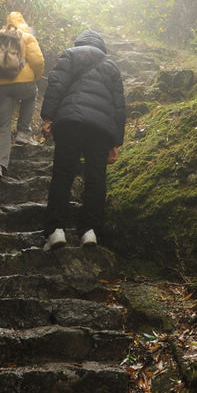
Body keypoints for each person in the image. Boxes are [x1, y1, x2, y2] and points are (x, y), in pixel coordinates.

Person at [40, 29, 125, 250]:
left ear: (79, 42)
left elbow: (56, 85)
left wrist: (49, 118)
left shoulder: (70, 54)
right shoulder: (111, 65)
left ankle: (56, 230)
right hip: (100, 129)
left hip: (70, 121)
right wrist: (116, 141)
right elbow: (118, 106)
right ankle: (89, 231)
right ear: (101, 46)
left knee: (62, 174)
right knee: (96, 178)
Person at [0, 11, 45, 178]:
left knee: (2, 125)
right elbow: (38, 62)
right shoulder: (27, 36)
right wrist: (33, 77)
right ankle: (23, 133)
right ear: (23, 23)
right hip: (24, 84)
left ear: (6, 23)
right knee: (32, 93)